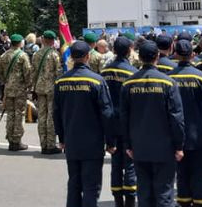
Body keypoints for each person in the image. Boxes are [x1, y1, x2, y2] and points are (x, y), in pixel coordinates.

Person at [121, 40, 185, 207]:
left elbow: (124, 117)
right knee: (164, 193)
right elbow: (176, 117)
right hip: (164, 147)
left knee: (144, 193)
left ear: (140, 58)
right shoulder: (168, 83)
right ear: (157, 56)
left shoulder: (128, 84)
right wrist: (179, 146)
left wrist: (128, 144)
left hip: (139, 146)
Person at [53, 40, 114, 207]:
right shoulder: (97, 81)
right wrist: (111, 142)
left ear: (72, 57)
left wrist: (62, 138)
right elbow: (107, 114)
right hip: (92, 143)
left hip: (72, 141)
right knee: (91, 187)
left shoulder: (61, 82)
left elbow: (56, 113)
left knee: (74, 184)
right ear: (88, 56)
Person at [169, 37, 202, 207]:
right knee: (200, 176)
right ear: (193, 55)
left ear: (176, 55)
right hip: (200, 136)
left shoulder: (168, 78)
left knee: (182, 176)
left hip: (176, 136)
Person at [102, 34, 138, 207]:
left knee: (115, 163)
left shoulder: (104, 72)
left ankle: (118, 201)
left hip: (110, 122)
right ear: (130, 51)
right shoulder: (133, 73)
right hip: (128, 123)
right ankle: (130, 200)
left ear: (114, 50)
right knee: (130, 163)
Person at [0, 33, 32, 151]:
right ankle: (17, 141)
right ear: (20, 43)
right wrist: (28, 86)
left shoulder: (4, 55)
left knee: (10, 114)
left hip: (8, 89)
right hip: (19, 89)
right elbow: (27, 73)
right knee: (19, 114)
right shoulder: (22, 56)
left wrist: (4, 82)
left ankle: (10, 139)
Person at [32, 30, 62, 155]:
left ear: (44, 40)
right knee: (51, 117)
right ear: (53, 40)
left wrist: (33, 87)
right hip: (51, 88)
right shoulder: (54, 55)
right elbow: (58, 73)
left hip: (39, 88)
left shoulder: (36, 54)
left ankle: (43, 144)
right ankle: (50, 145)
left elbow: (33, 72)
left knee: (42, 116)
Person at [0, 31, 11, 102]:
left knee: (6, 80)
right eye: (3, 35)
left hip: (6, 64)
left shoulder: (9, 43)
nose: (5, 37)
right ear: (1, 35)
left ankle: (4, 96)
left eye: (6, 35)